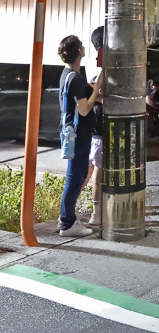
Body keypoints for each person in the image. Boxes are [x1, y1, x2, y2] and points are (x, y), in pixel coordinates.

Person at [57, 35, 103, 237]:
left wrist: (93, 90)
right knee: (75, 178)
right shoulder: (75, 78)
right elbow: (84, 109)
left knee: (76, 176)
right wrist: (98, 87)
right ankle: (67, 223)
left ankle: (66, 220)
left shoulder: (66, 75)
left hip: (71, 133)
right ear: (80, 52)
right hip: (79, 134)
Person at [82, 26, 105, 226]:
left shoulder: (94, 63)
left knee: (89, 169)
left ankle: (70, 208)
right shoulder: (101, 65)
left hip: (92, 127)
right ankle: (95, 213)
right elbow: (94, 93)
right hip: (100, 127)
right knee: (96, 169)